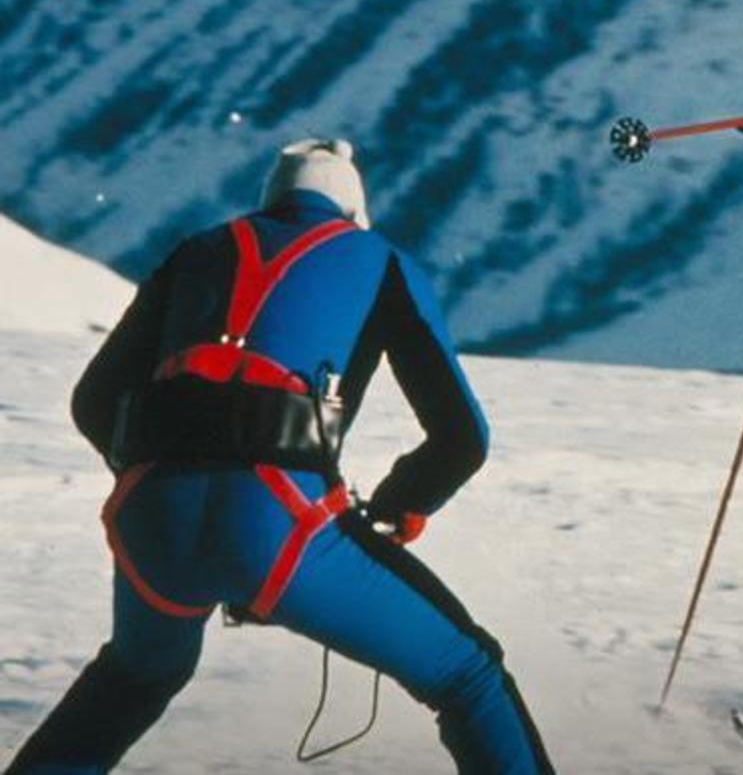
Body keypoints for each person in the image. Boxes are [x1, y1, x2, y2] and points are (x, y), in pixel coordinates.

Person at [5, 139, 555, 774]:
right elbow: (461, 439)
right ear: (354, 212)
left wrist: (166, 480)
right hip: (281, 523)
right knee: (467, 675)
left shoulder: (197, 251)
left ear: (272, 202)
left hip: (149, 518)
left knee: (134, 677)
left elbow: (93, 402)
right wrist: (399, 505)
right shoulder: (378, 260)